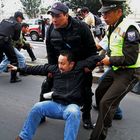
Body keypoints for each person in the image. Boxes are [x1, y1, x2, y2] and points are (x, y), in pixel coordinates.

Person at [8, 50, 104, 140]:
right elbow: (37, 69)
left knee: (74, 113)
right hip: (56, 105)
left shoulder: (80, 67)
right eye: (59, 62)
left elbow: (97, 58)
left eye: (62, 63)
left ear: (71, 64)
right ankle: (24, 137)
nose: (59, 66)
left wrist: (106, 59)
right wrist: (18, 69)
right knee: (37, 107)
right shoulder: (54, 69)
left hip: (71, 106)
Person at [40, 2, 97, 129]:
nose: (54, 19)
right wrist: (50, 68)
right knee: (46, 85)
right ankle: (41, 114)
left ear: (66, 15)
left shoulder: (82, 27)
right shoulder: (51, 29)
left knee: (86, 91)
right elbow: (50, 51)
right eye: (52, 16)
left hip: (80, 67)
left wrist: (89, 67)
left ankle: (86, 116)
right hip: (60, 66)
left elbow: (92, 52)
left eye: (57, 16)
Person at [89, 0, 140, 140]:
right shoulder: (112, 26)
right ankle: (114, 113)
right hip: (116, 69)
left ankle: (99, 135)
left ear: (119, 12)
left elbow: (130, 59)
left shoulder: (130, 28)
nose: (104, 16)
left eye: (107, 13)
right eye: (103, 13)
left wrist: (108, 60)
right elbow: (103, 44)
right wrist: (88, 50)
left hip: (130, 72)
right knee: (100, 90)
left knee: (106, 103)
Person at [0, 11, 24, 83]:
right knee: (14, 60)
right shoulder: (17, 25)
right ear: (18, 18)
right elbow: (16, 38)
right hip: (5, 41)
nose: (22, 20)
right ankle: (13, 78)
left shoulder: (4, 20)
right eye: (21, 19)